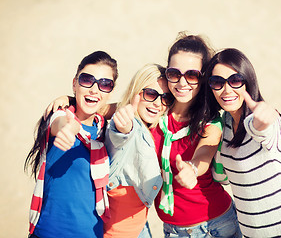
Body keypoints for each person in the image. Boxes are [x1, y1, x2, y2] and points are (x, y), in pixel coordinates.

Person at [203, 48, 281, 237]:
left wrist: (263, 119)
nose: (226, 89)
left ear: (248, 81)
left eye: (235, 80)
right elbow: (223, 177)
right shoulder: (222, 128)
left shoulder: (262, 121)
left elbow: (264, 128)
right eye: (217, 82)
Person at [151, 32, 242, 237]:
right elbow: (110, 108)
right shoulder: (155, 110)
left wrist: (192, 168)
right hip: (173, 229)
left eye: (192, 75)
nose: (182, 83)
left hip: (215, 224)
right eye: (174, 74)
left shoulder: (210, 122)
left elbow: (204, 153)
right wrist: (68, 99)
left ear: (203, 79)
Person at [24, 51, 118, 238]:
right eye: (86, 80)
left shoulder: (105, 129)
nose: (94, 89)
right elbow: (61, 124)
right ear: (75, 83)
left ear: (110, 91)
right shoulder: (58, 116)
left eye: (105, 84)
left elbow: (131, 106)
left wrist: (69, 97)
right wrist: (70, 128)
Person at [103, 64, 174, 237]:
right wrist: (123, 127)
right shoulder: (131, 125)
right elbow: (121, 136)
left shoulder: (157, 129)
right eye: (151, 94)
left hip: (140, 228)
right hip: (117, 233)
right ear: (136, 91)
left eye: (166, 98)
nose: (158, 103)